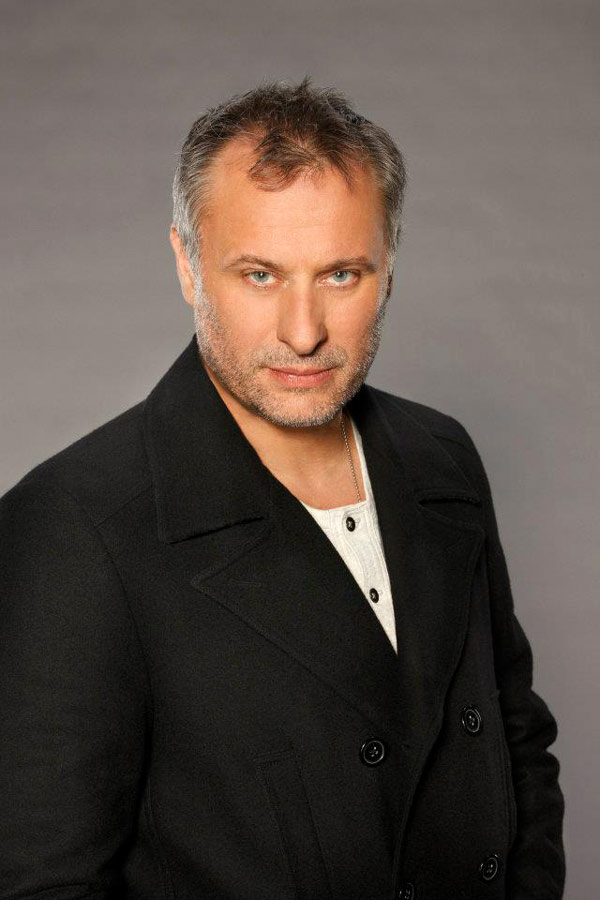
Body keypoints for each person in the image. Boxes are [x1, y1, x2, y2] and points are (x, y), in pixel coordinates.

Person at [0, 76, 565, 900]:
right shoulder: (71, 527)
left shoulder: (441, 458)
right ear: (188, 266)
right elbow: (42, 880)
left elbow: (516, 748)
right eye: (260, 275)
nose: (304, 333)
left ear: (390, 268)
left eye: (341, 275)